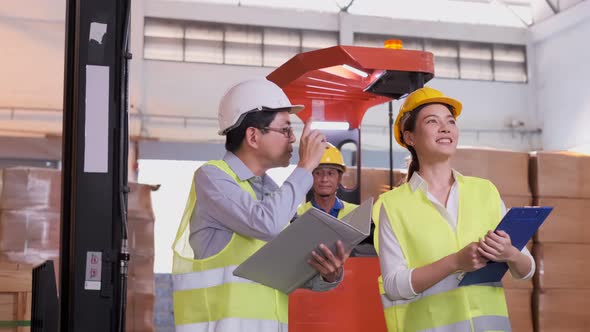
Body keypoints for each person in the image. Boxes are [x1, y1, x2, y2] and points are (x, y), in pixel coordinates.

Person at [172, 78, 351, 332]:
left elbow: (290, 267)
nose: (293, 140)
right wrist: (306, 167)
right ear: (253, 136)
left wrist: (327, 274)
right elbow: (266, 224)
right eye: (286, 130)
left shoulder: (272, 192)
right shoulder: (213, 178)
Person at [373, 86, 535, 332]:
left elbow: (527, 269)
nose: (446, 128)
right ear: (410, 137)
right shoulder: (393, 205)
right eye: (432, 121)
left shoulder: (485, 191)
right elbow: (394, 286)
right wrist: (455, 262)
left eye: (450, 121)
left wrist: (510, 253)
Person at [296, 143, 358, 218]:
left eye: (330, 173)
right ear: (310, 177)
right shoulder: (298, 215)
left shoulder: (356, 212)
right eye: (318, 173)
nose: (324, 179)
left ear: (339, 178)